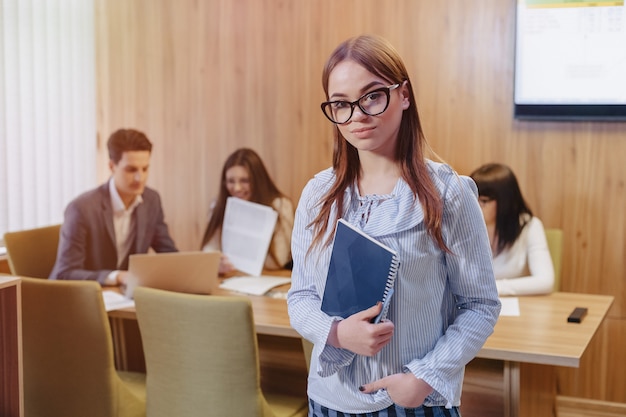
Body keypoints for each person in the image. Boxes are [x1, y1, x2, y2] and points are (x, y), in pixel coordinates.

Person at [287, 34, 500, 417]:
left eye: (372, 96)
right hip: (329, 400)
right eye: (341, 104)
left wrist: (425, 378)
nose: (357, 115)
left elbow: (480, 305)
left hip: (414, 399)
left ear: (403, 95)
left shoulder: (448, 192)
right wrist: (337, 333)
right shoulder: (318, 194)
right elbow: (300, 298)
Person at [49, 128, 178, 285]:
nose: (140, 178)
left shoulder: (151, 200)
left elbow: (169, 254)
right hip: (86, 298)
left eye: (145, 169)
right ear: (112, 166)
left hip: (125, 297)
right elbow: (65, 273)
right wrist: (116, 276)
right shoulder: (82, 209)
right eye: (131, 170)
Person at [200, 148, 294, 274]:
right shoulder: (218, 205)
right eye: (230, 181)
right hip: (230, 278)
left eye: (245, 181)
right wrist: (217, 263)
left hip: (269, 278)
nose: (237, 188)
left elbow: (278, 260)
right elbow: (209, 250)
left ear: (258, 180)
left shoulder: (280, 205)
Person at [469, 162, 554, 296]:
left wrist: (492, 289)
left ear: (505, 202)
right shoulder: (464, 226)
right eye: (473, 198)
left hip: (517, 309)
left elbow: (545, 281)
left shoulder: (530, 227)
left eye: (484, 201)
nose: (476, 205)